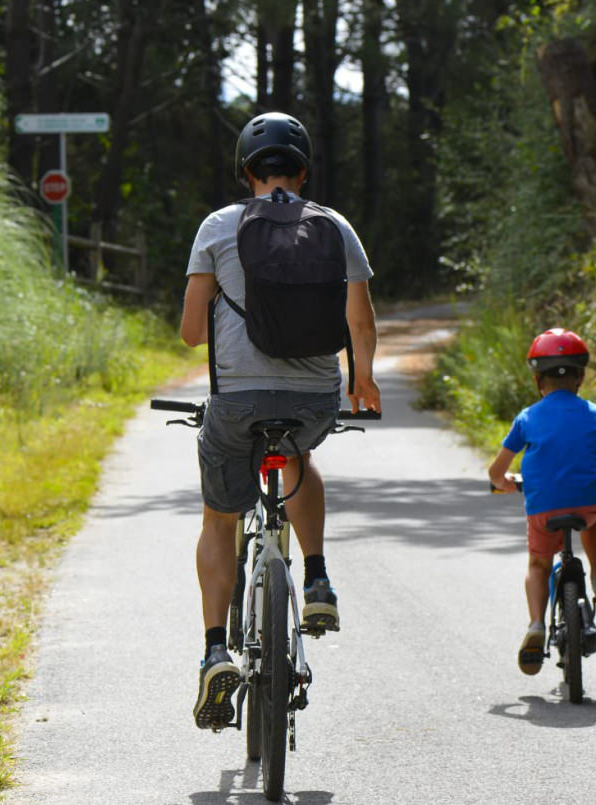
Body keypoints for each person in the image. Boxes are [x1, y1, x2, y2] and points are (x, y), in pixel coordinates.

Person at [180, 111, 381, 730]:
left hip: (237, 401)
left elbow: (190, 334)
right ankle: (317, 580)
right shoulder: (335, 226)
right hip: (314, 400)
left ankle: (216, 649)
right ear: (303, 169)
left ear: (246, 171)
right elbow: (361, 320)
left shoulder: (217, 226)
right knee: (299, 454)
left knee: (219, 517)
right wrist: (363, 380)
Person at [488, 328, 596, 676]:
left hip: (543, 507)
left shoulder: (527, 417)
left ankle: (535, 624)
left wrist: (506, 484)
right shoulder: (593, 412)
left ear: (537, 380)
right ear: (581, 377)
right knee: (592, 519)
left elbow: (496, 472)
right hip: (586, 501)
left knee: (538, 564)